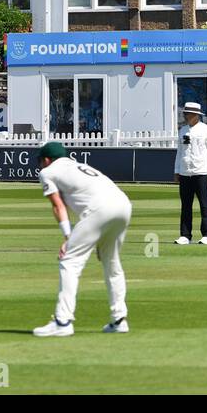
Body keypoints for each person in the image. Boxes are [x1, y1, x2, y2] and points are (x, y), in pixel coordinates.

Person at [31, 142, 134, 338]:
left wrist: (68, 237)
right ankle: (119, 319)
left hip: (100, 210)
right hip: (123, 205)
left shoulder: (48, 172)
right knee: (112, 263)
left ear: (46, 160)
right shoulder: (80, 166)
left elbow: (58, 206)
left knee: (69, 261)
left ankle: (62, 321)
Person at [174, 102, 207, 246]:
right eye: (185, 113)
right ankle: (185, 235)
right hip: (185, 172)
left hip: (202, 172)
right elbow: (180, 152)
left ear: (196, 115)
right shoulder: (183, 131)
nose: (185, 116)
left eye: (188, 114)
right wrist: (177, 171)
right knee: (185, 205)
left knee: (205, 205)